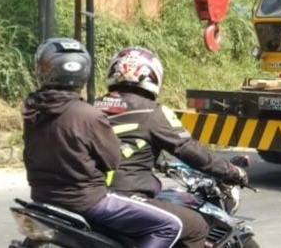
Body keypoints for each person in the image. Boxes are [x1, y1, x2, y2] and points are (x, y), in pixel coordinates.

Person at [22, 38, 182, 248]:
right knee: (170, 225)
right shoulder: (89, 115)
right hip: (88, 202)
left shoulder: (32, 109)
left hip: (43, 197)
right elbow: (112, 160)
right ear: (84, 73)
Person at [94, 46, 249, 248]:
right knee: (196, 226)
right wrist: (231, 171)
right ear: (152, 75)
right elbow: (189, 150)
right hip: (124, 196)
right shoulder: (153, 112)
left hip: (90, 194)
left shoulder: (93, 106)